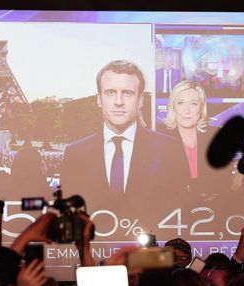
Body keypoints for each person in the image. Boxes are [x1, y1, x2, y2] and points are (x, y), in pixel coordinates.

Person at [60, 60, 188, 230]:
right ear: (99, 99)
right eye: (110, 92)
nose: (118, 101)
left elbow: (179, 213)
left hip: (151, 253)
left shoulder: (169, 149)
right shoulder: (75, 153)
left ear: (140, 100)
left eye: (127, 93)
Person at [160, 80, 228, 197]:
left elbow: (223, 182)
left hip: (211, 206)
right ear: (173, 107)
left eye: (193, 104)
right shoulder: (160, 140)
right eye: (180, 103)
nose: (186, 111)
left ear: (201, 108)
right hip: (173, 207)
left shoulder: (215, 137)